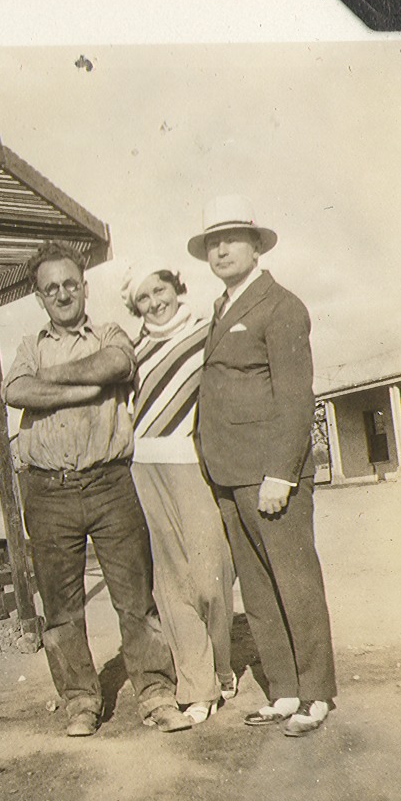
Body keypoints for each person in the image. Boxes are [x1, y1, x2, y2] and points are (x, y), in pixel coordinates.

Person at [2, 241, 191, 736]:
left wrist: (55, 380)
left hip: (110, 484)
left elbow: (115, 365)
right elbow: (15, 390)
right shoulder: (27, 346)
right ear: (39, 298)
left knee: (135, 599)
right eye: (51, 288)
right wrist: (86, 390)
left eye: (70, 284)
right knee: (61, 610)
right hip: (48, 492)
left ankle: (155, 693)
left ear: (84, 288)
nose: (62, 294)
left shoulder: (109, 333)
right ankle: (81, 701)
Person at [189, 196, 337, 737]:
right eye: (212, 242)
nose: (221, 248)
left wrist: (282, 472)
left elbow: (297, 398)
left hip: (270, 476)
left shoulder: (281, 306)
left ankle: (316, 693)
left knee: (295, 581)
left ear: (256, 245)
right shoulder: (220, 308)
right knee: (256, 587)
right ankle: (285, 689)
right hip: (229, 474)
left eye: (232, 238)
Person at [120, 263, 238, 723]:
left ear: (175, 287)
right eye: (142, 298)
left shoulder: (207, 332)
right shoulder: (132, 351)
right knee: (170, 583)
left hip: (195, 463)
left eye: (159, 290)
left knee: (212, 572)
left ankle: (221, 666)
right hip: (146, 467)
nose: (154, 302)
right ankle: (197, 685)